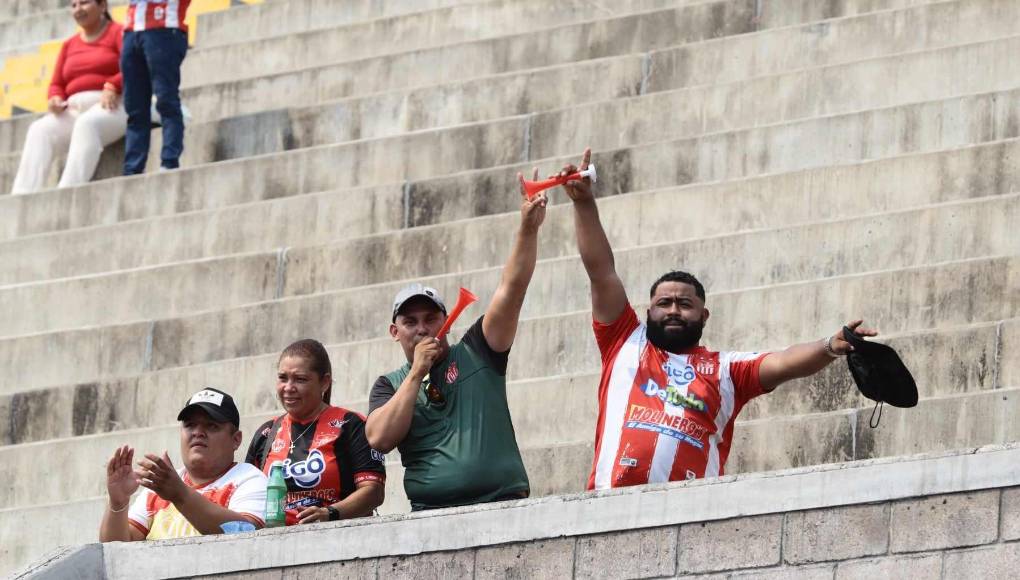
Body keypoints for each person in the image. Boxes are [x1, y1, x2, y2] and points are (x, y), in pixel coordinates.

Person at [562, 148, 878, 490]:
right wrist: (584, 203)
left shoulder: (727, 370)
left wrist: (829, 346)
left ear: (704, 315)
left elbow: (785, 362)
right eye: (664, 303)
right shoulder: (624, 340)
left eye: (685, 304)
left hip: (692, 516)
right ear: (647, 311)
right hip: (608, 506)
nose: (673, 310)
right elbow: (601, 272)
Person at [366, 175, 548, 511]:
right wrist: (416, 373)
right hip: (431, 515)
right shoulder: (388, 385)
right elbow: (379, 438)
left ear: (446, 321)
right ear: (395, 332)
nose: (422, 329)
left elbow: (512, 288)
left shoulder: (478, 349)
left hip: (501, 503)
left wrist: (528, 228)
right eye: (410, 322)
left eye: (431, 319)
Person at [246, 339, 385, 524]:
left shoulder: (351, 424)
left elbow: (373, 491)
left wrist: (329, 513)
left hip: (337, 540)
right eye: (282, 378)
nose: (288, 388)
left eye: (300, 379)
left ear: (324, 382)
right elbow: (247, 495)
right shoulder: (267, 432)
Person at [100, 388, 267, 540]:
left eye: (211, 426)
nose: (198, 432)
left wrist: (180, 494)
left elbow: (247, 535)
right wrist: (118, 502)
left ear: (236, 440)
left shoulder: (249, 479)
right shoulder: (159, 487)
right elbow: (117, 550)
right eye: (190, 425)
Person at [10, 0, 126, 195]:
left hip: (111, 105)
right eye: (73, 5)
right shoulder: (69, 45)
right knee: (40, 130)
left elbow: (133, 66)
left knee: (87, 125)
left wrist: (113, 85)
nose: (78, 9)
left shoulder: (119, 32)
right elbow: (56, 84)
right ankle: (22, 196)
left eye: (84, 3)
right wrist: (55, 98)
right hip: (73, 109)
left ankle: (65, 194)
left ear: (103, 6)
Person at [120, 0, 190, 175]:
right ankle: (133, 169)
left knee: (166, 100)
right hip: (132, 29)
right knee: (135, 108)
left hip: (165, 27)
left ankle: (169, 162)